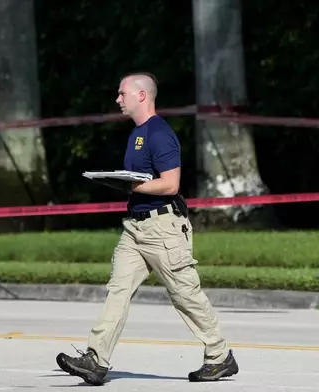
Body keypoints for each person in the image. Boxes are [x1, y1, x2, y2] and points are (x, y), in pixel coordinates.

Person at [55, 72, 239, 385]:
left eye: (122, 93)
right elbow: (142, 180)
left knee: (185, 295)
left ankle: (220, 356)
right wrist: (122, 182)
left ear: (141, 96)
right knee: (118, 291)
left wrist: (131, 186)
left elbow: (171, 184)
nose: (117, 99)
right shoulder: (137, 133)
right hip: (135, 230)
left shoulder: (160, 134)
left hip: (164, 228)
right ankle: (95, 360)